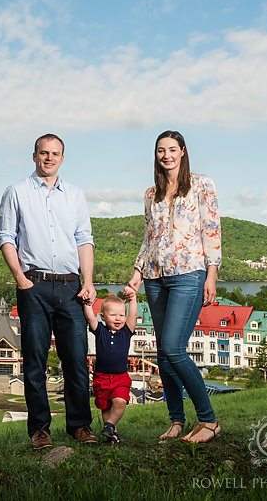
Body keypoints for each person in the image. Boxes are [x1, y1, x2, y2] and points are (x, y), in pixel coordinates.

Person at [0, 134, 98, 448]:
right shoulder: (16, 192)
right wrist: (20, 278)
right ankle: (40, 430)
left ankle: (80, 426)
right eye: (44, 153)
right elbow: (6, 237)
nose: (49, 158)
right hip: (34, 285)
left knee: (77, 361)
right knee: (35, 362)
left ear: (62, 159)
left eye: (55, 154)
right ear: (34, 156)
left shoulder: (75, 196)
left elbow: (85, 240)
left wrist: (89, 281)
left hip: (71, 286)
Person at [123, 130, 222, 444]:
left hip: (188, 275)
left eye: (171, 149)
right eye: (160, 150)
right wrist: (138, 274)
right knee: (163, 355)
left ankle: (208, 421)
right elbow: (148, 240)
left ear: (182, 151)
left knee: (174, 349)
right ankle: (177, 421)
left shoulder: (201, 184)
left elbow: (212, 230)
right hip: (154, 278)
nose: (166, 155)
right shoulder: (150, 194)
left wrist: (211, 275)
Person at [83, 293, 137, 444]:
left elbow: (133, 315)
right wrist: (88, 303)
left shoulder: (126, 332)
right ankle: (112, 436)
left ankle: (110, 425)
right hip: (101, 377)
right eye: (113, 315)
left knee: (120, 401)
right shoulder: (100, 331)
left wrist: (133, 299)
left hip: (120, 377)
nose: (118, 318)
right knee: (106, 407)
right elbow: (90, 318)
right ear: (103, 316)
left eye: (121, 315)